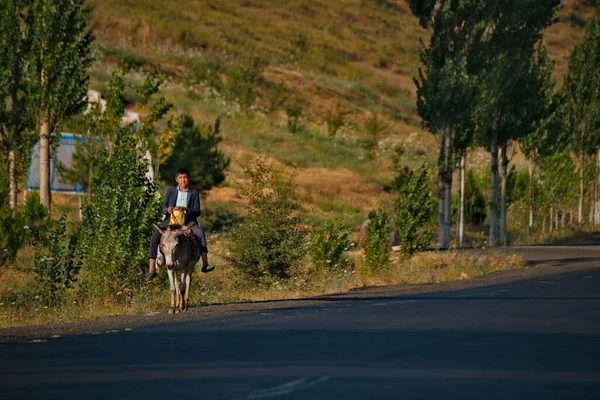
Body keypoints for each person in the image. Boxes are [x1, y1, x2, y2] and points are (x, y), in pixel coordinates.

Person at [147, 168, 215, 281]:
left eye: (185, 177)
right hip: (171, 220)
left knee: (200, 233)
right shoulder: (171, 191)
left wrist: (185, 209)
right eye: (180, 178)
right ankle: (151, 269)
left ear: (188, 179)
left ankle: (205, 264)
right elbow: (163, 207)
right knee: (155, 236)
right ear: (176, 179)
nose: (183, 180)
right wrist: (167, 209)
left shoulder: (193, 193)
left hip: (188, 220)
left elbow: (197, 211)